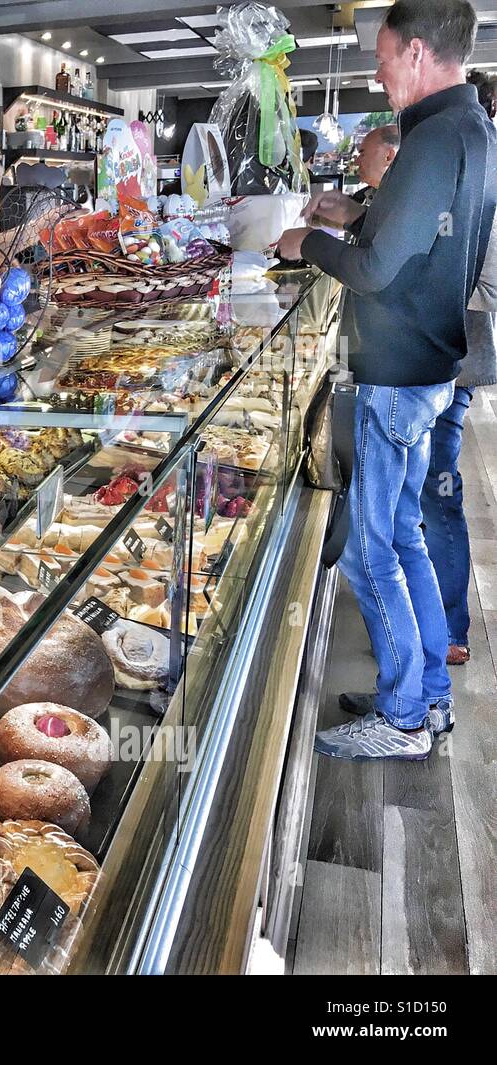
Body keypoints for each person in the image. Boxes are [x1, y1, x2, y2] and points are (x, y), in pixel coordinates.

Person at [276, 0, 497, 761]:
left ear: (414, 52)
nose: (375, 69)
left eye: (381, 53)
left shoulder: (434, 138)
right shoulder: (472, 131)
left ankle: (403, 719)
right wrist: (360, 207)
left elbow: (372, 270)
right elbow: (421, 235)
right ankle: (427, 694)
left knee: (373, 551)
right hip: (432, 367)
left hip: (398, 374)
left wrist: (309, 238)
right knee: (405, 539)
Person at [420, 69, 497, 666]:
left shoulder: (481, 166)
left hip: (451, 360)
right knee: (423, 492)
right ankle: (429, 619)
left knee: (439, 490)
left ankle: (449, 628)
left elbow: (488, 289)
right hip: (427, 360)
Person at [350, 124, 399, 206]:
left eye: (362, 154)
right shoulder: (360, 198)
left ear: (388, 156)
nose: (356, 163)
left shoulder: (414, 203)